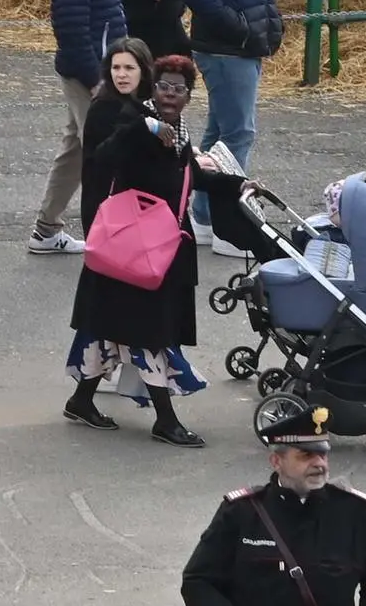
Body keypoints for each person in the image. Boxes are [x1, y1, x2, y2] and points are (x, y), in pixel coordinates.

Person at [65, 51, 232, 445]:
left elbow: (192, 175)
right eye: (163, 87)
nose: (170, 95)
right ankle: (165, 419)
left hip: (157, 249)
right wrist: (145, 126)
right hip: (132, 246)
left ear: (189, 95)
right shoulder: (134, 120)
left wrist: (239, 185)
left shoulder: (183, 132)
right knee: (149, 333)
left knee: (112, 329)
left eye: (179, 88)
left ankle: (81, 399)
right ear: (152, 89)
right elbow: (102, 157)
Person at [179, 402, 366, 604]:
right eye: (306, 455)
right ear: (277, 461)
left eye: (323, 455)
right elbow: (198, 582)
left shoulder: (354, 511)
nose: (320, 464)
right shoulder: (241, 512)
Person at [180, 0, 279, 249]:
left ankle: (203, 215)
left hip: (241, 46)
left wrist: (270, 26)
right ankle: (226, 222)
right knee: (240, 132)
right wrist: (242, 30)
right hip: (226, 49)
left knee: (221, 131)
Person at [31, 0, 126, 257]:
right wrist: (96, 80)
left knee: (74, 152)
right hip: (90, 76)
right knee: (104, 154)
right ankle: (111, 234)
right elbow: (70, 31)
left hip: (97, 73)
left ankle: (46, 229)